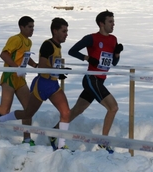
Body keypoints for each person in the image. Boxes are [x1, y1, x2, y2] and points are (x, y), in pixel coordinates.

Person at [51, 10, 123, 153]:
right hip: (91, 79)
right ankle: (103, 142)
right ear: (101, 24)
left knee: (78, 110)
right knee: (113, 108)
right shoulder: (92, 38)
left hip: (100, 81)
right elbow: (73, 51)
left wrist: (117, 53)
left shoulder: (113, 39)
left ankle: (54, 132)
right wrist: (88, 58)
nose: (113, 24)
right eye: (110, 21)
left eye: (113, 21)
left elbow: (113, 63)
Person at [0, 17, 70, 150]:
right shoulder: (45, 44)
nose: (66, 34)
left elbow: (27, 57)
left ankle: (61, 145)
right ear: (55, 31)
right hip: (37, 84)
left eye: (67, 31)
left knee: (66, 113)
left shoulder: (32, 42)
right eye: (64, 31)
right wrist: (17, 67)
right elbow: (43, 65)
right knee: (24, 112)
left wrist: (54, 71)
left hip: (51, 84)